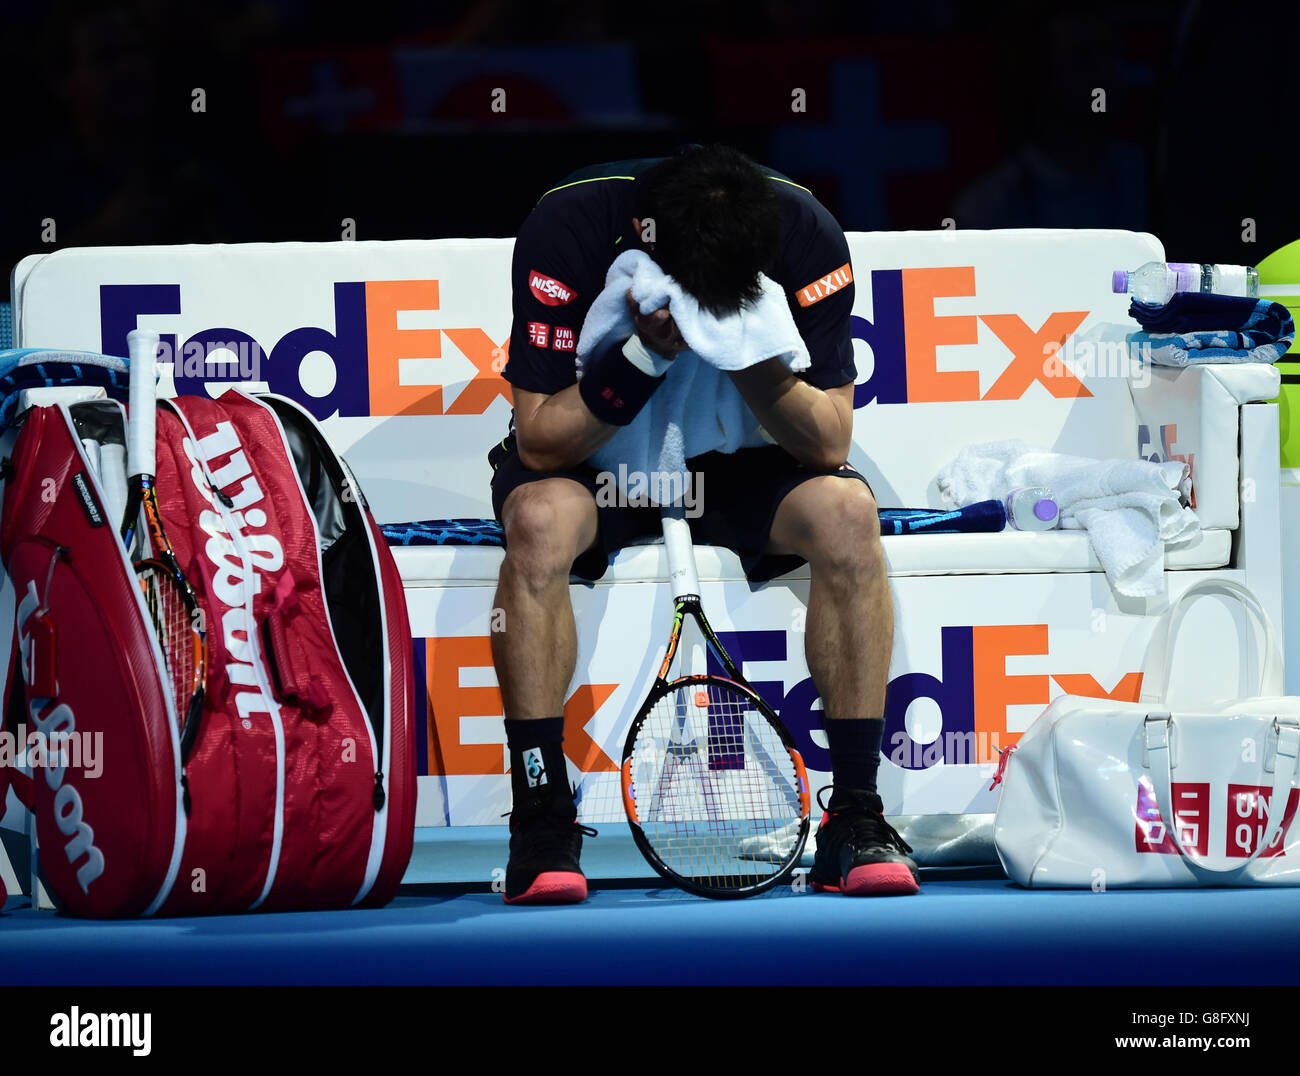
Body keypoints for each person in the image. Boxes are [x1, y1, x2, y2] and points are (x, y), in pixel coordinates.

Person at [491, 144, 916, 903]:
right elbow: (539, 439)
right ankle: (541, 820)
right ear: (646, 238)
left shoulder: (806, 234)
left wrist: (739, 346)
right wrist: (645, 358)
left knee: (849, 515)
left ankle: (855, 817)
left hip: (737, 464)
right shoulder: (569, 227)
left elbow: (827, 441)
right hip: (601, 463)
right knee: (534, 522)